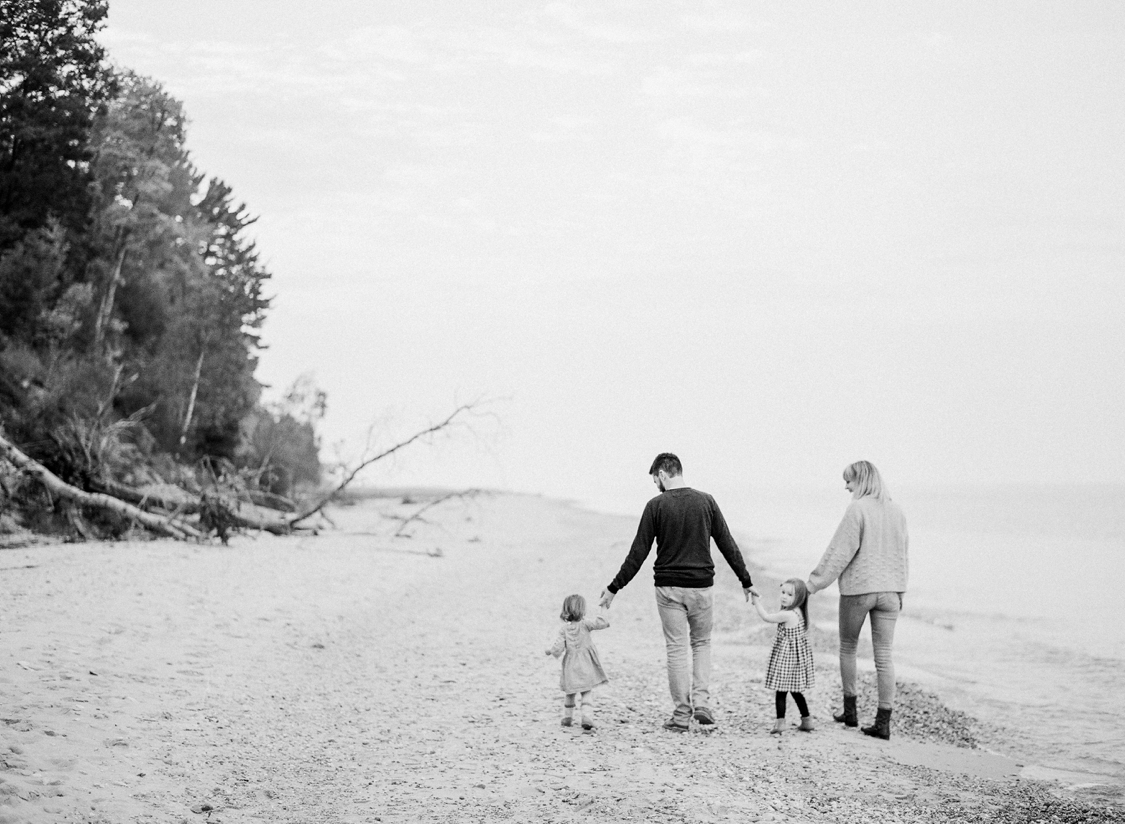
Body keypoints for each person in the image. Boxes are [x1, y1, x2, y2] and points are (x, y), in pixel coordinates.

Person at [600, 453, 757, 732]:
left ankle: (682, 715)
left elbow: (639, 552)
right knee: (702, 644)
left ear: (662, 474)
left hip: (669, 589)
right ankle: (703, 703)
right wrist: (746, 580)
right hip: (701, 588)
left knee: (676, 649)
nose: (655, 485)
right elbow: (726, 543)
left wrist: (614, 588)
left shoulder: (655, 506)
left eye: (654, 479)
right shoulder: (707, 501)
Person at [806, 460, 908, 741]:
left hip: (859, 589)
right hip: (890, 591)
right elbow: (903, 553)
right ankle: (883, 722)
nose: (846, 486)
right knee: (884, 656)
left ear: (861, 481)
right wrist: (901, 591)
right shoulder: (897, 511)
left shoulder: (857, 509)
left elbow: (840, 551)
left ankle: (850, 713)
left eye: (849, 481)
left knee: (848, 647)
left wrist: (813, 584)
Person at [751, 578, 815, 735]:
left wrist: (756, 601)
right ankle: (807, 720)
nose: (784, 596)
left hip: (787, 658)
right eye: (783, 592)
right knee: (795, 691)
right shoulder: (800, 612)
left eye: (790, 594)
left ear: (799, 597)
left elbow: (766, 617)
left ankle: (780, 723)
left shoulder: (788, 615)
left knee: (781, 690)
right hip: (797, 658)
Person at [545, 594, 610, 730]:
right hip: (586, 664)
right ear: (582, 610)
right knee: (586, 691)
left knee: (570, 691)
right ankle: (586, 716)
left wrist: (551, 651)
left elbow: (558, 647)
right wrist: (603, 607)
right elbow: (601, 623)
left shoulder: (564, 629)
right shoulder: (586, 624)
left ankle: (567, 717)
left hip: (570, 665)